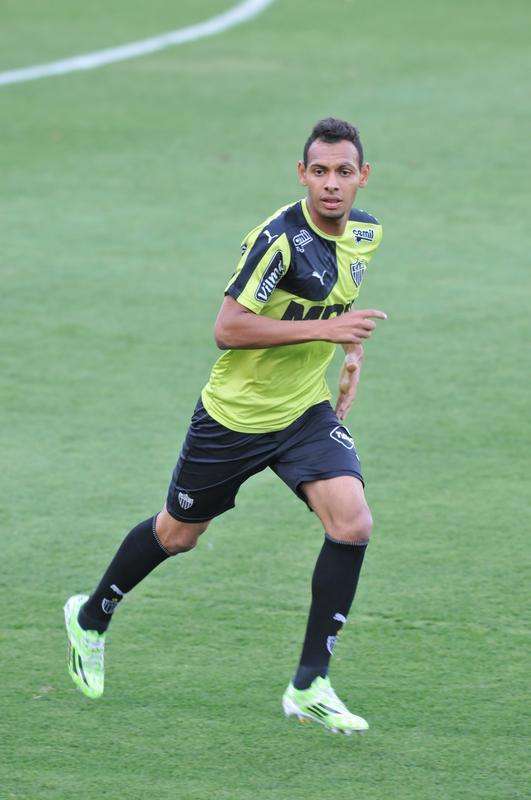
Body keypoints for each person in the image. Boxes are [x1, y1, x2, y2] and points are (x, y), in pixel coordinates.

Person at [64, 117, 387, 735]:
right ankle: (91, 616)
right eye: (319, 171)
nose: (331, 184)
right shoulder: (279, 240)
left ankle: (310, 684)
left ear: (361, 177)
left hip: (302, 413)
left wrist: (350, 354)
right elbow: (229, 328)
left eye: (343, 172)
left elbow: (336, 303)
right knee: (178, 534)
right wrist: (327, 331)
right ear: (302, 174)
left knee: (352, 524)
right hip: (233, 420)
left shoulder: (366, 233)